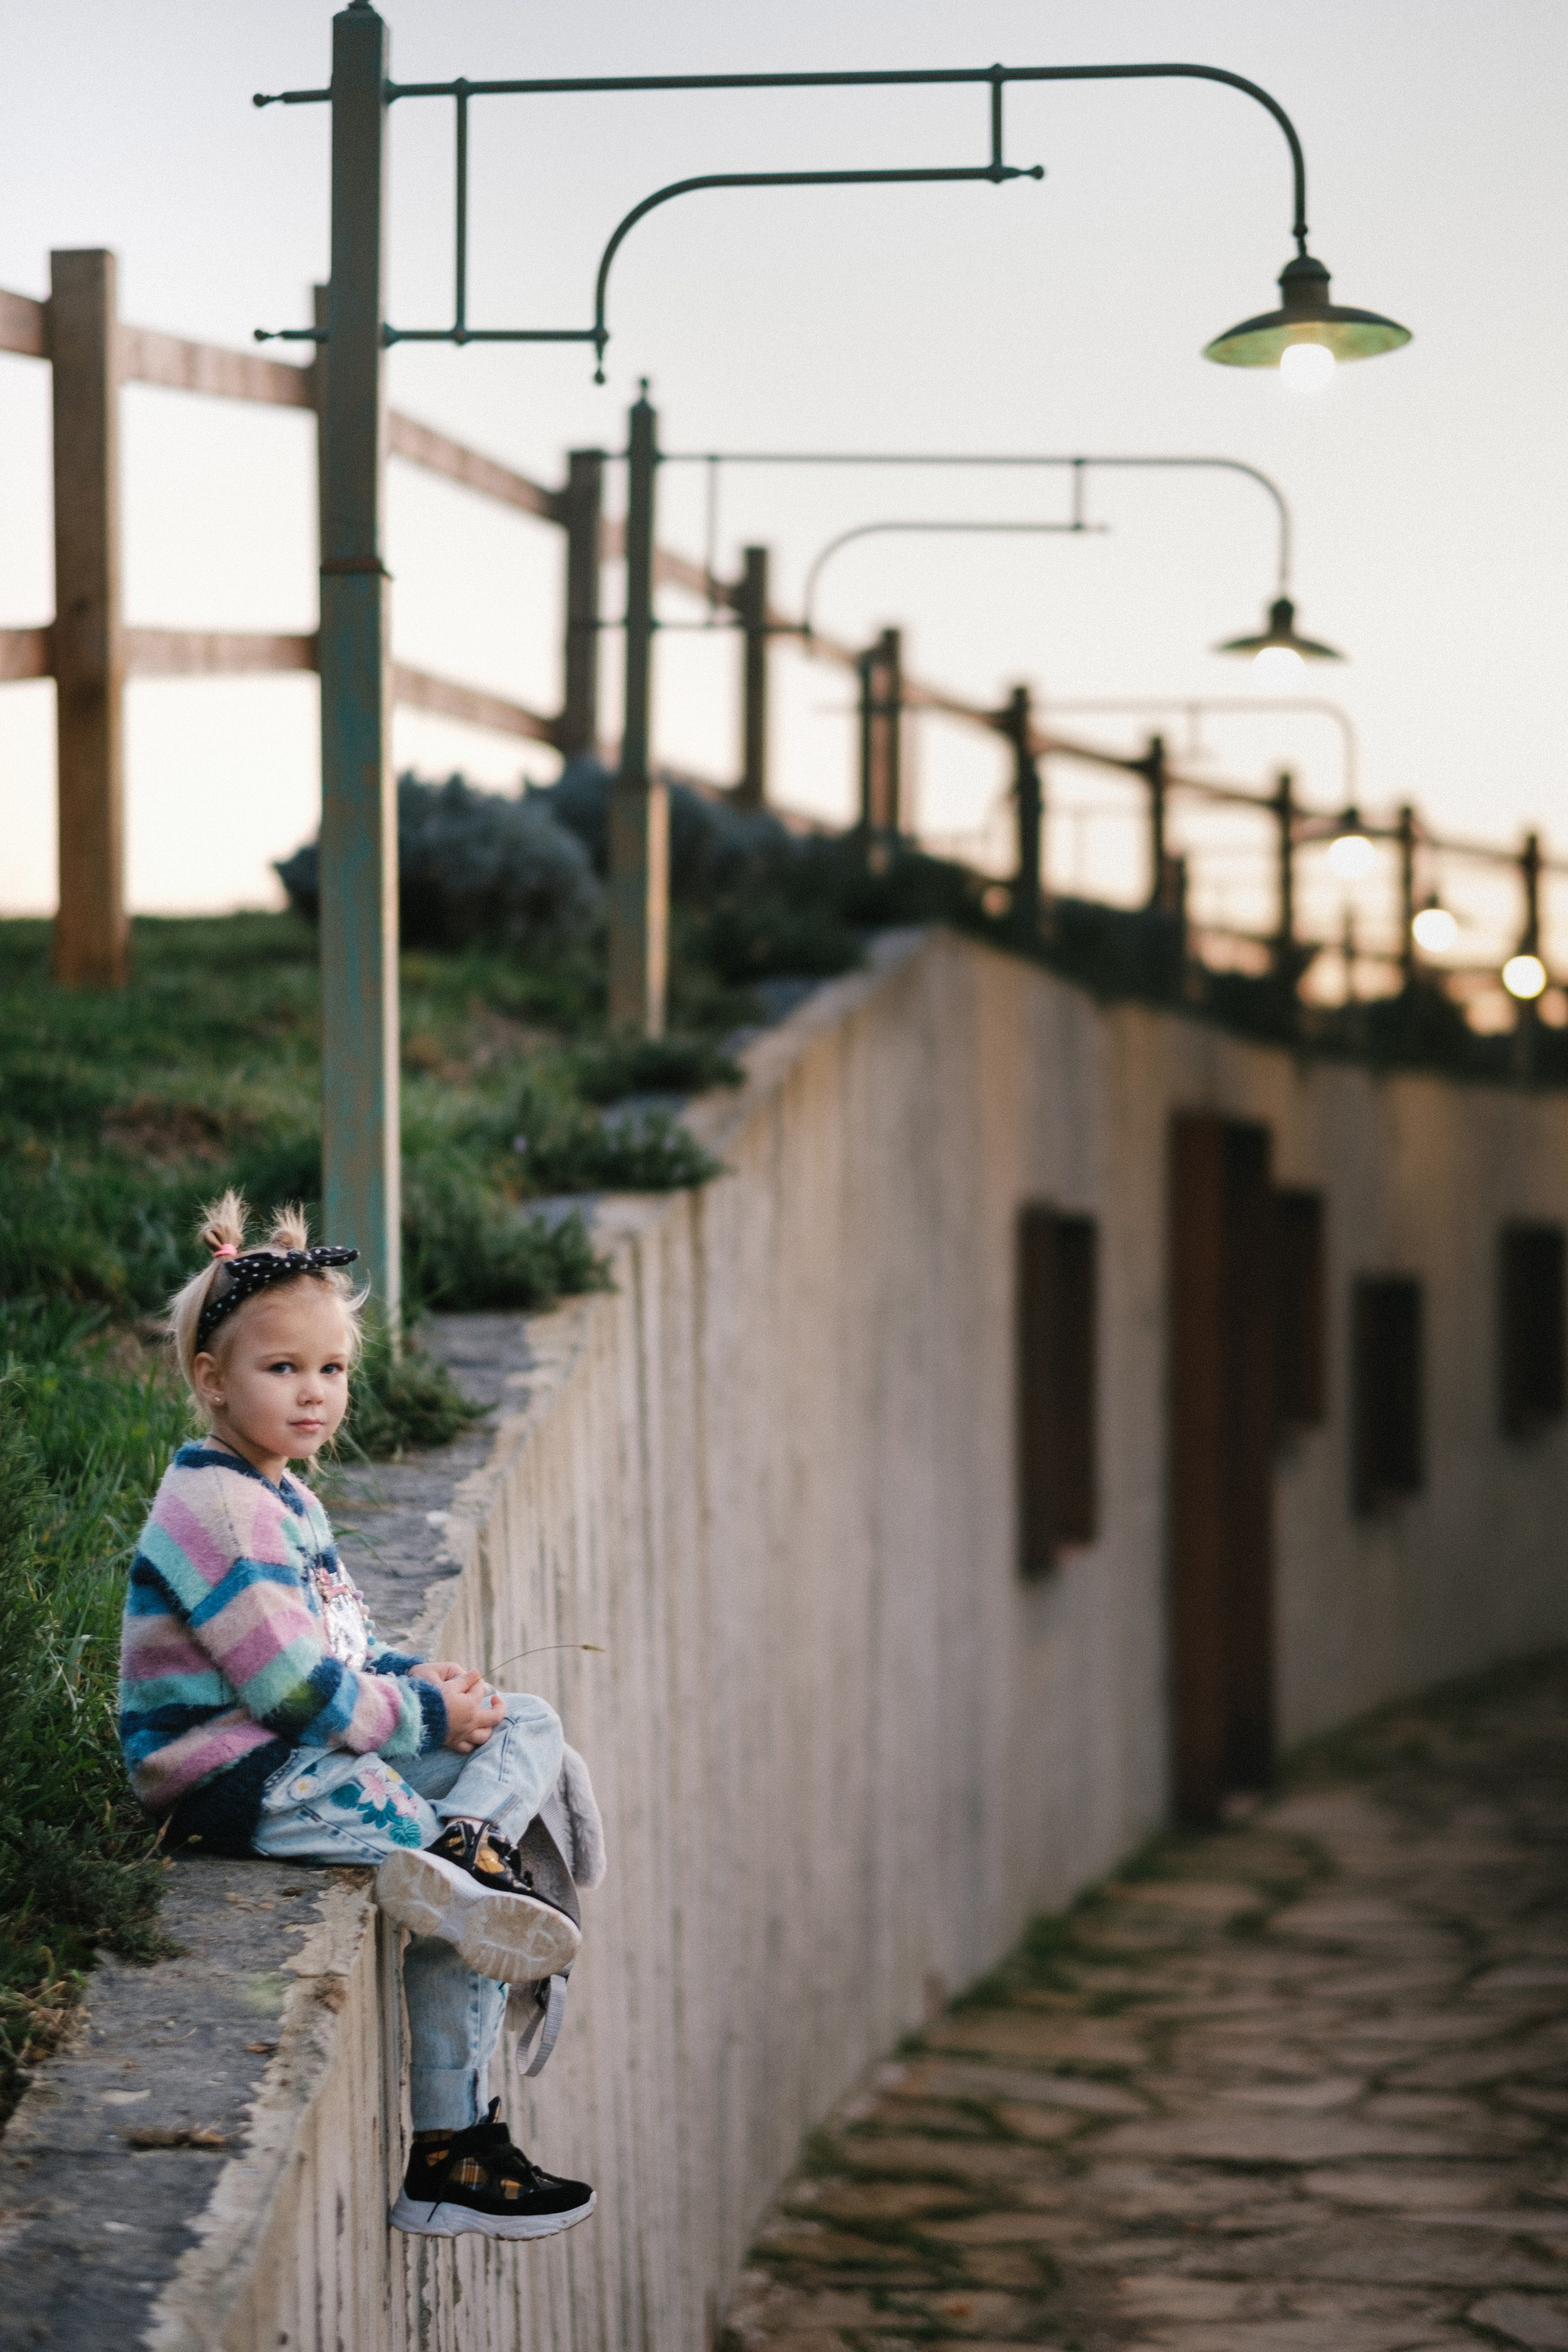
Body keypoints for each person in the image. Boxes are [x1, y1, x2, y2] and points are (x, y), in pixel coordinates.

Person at [118, 1191, 601, 2242]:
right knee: (451, 1886)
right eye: (281, 1370)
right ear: (212, 1380)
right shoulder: (216, 1507)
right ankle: (451, 2140)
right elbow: (290, 1690)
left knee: (525, 1723)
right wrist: (421, 1717)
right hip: (230, 1771)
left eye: (330, 1371)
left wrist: (424, 1679)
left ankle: (471, 1853)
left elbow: (340, 1655)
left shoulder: (289, 1496)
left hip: (300, 1755)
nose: (312, 1395)